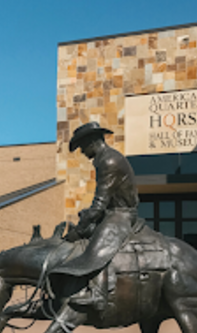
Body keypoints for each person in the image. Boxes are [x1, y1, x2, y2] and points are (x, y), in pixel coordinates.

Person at [54, 122, 139, 309]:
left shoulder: (108, 161)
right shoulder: (104, 158)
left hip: (121, 214)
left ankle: (99, 293)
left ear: (93, 142)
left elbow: (99, 204)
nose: (83, 152)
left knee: (98, 246)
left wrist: (81, 227)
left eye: (83, 147)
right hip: (113, 211)